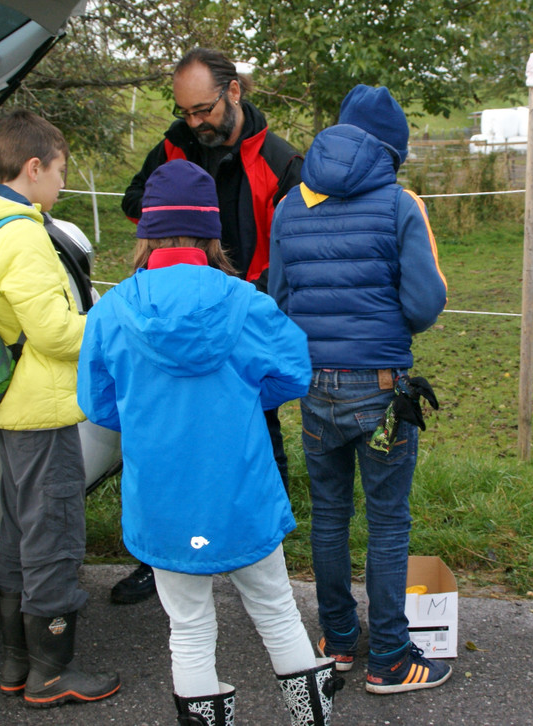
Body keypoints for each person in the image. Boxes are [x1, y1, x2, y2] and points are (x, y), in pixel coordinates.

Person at [78, 160, 342, 725]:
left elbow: (99, 404)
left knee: (189, 628)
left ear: (146, 229)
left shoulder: (112, 309)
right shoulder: (246, 302)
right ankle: (311, 720)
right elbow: (294, 373)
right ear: (211, 230)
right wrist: (244, 395)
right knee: (275, 610)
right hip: (241, 490)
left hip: (164, 499)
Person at [0, 110, 119, 708]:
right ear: (33, 167)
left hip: (5, 402)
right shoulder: (21, 234)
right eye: (60, 172)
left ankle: (17, 661)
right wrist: (113, 325)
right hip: (40, 408)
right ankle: (52, 672)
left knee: (19, 530)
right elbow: (58, 334)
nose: (63, 184)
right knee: (53, 535)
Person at [267, 85, 451, 694]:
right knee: (388, 522)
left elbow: (280, 301)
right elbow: (423, 306)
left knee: (328, 517)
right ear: (390, 152)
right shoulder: (398, 206)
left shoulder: (290, 205)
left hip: (316, 387)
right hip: (380, 389)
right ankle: (392, 658)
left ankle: (339, 641)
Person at [113, 46, 303, 606]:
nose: (194, 122)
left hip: (247, 305)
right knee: (168, 435)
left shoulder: (280, 158)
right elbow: (134, 200)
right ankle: (160, 559)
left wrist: (266, 286)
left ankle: (266, 547)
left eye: (203, 110)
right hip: (176, 307)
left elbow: (303, 231)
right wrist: (168, 241)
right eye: (186, 111)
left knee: (259, 430)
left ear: (235, 92)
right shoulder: (176, 142)